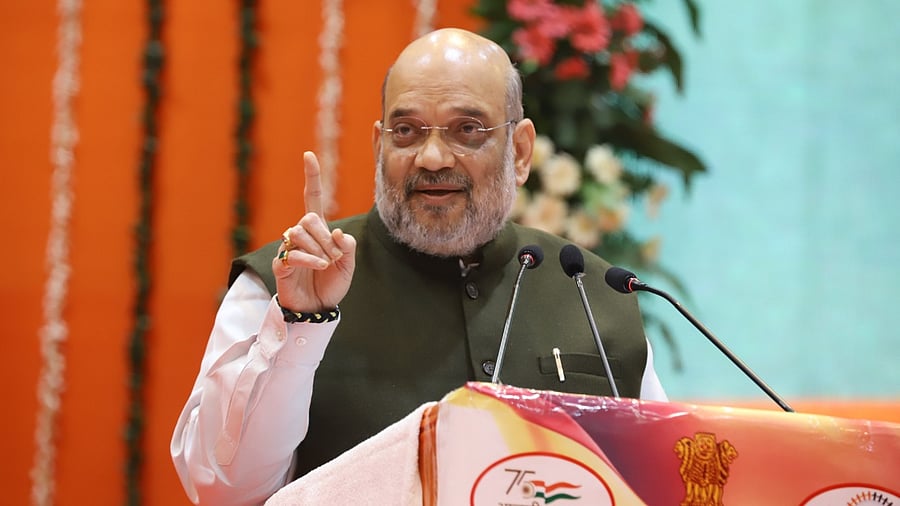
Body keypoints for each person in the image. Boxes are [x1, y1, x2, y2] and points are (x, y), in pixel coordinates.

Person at [171, 27, 667, 505]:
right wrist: (301, 324)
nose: (430, 157)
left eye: (466, 130)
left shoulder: (592, 290)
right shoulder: (290, 280)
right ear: (378, 146)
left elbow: (663, 480)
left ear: (519, 151)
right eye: (406, 131)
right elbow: (223, 490)